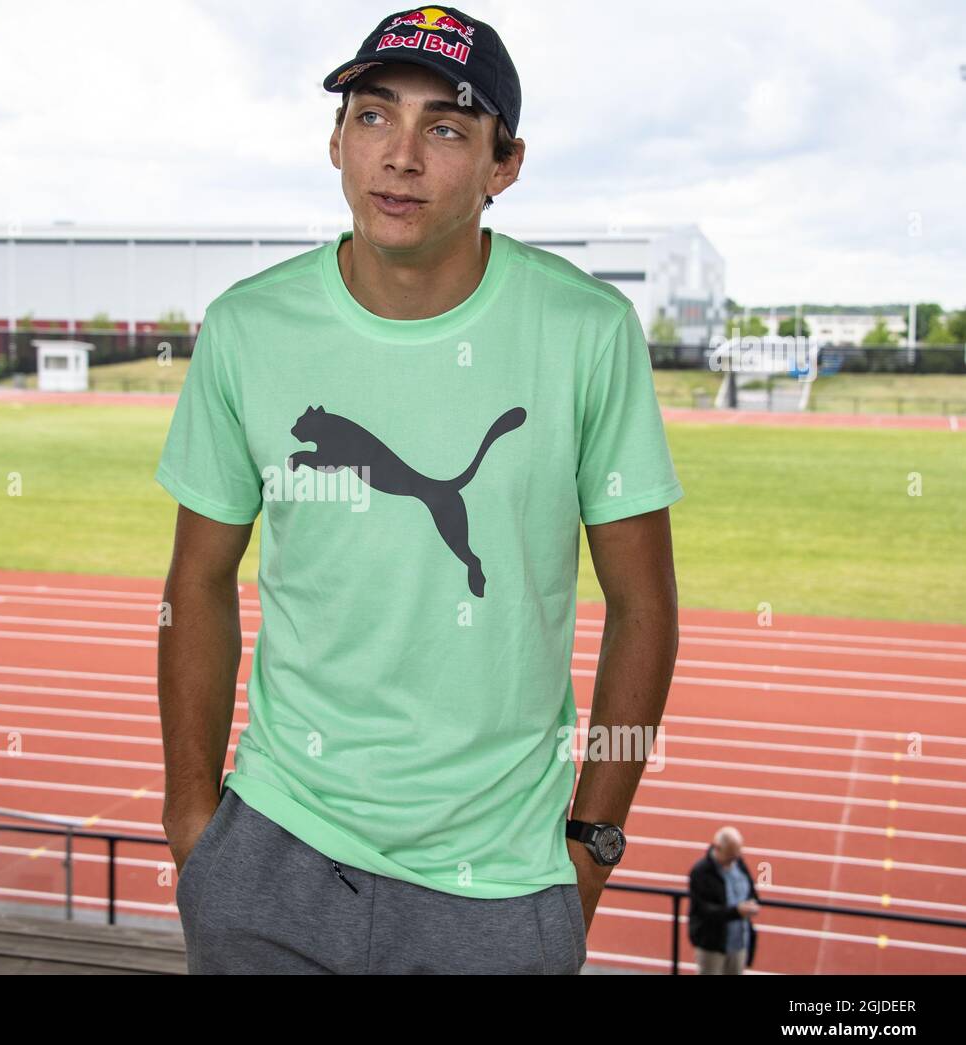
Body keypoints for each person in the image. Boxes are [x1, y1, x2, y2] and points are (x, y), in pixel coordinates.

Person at [156, 5, 684, 974]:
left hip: (502, 879)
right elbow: (194, 581)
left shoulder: (586, 330)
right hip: (270, 854)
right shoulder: (247, 327)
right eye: (372, 116)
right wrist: (193, 818)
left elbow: (643, 604)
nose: (398, 156)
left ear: (503, 166)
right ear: (334, 141)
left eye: (444, 128)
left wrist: (593, 841)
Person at [688, 826, 761, 974]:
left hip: (739, 942)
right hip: (712, 945)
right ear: (717, 848)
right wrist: (736, 911)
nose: (734, 859)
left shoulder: (738, 863)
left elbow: (751, 888)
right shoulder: (701, 872)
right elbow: (704, 910)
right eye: (730, 855)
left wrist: (753, 901)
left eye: (737, 854)